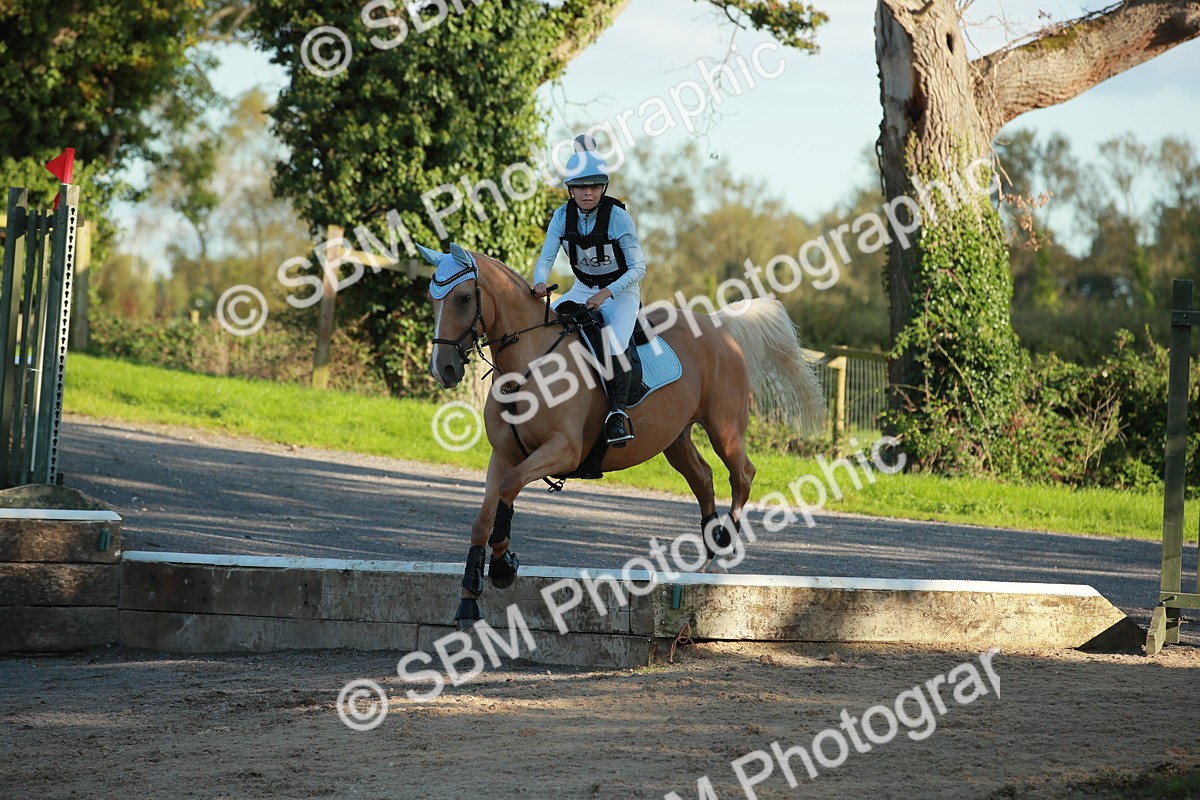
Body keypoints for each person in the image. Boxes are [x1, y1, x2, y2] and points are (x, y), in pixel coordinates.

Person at [533, 135, 647, 447]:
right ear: (570, 190)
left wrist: (606, 294)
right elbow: (545, 259)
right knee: (546, 328)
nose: (587, 192)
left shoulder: (618, 216)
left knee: (613, 343)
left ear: (603, 188)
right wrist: (539, 281)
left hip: (621, 294)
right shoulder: (561, 216)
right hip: (582, 288)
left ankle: (617, 415)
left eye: (594, 186)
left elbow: (639, 268)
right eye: (581, 187)